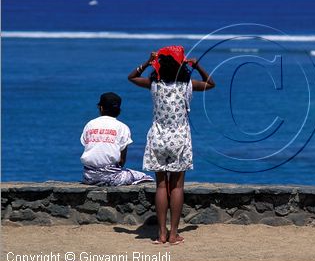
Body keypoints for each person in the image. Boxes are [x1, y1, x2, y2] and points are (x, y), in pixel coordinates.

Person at [128, 46, 215, 245]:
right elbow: (211, 83)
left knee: (160, 186)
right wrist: (197, 65)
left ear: (160, 66)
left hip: (157, 139)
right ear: (180, 66)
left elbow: (132, 77)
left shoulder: (154, 84)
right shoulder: (187, 85)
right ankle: (174, 234)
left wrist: (147, 63)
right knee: (177, 186)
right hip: (180, 140)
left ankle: (161, 234)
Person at [80, 92, 154, 186]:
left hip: (88, 177)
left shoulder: (90, 124)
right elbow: (122, 161)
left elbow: (88, 146)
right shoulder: (122, 127)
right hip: (112, 178)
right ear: (118, 110)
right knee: (145, 177)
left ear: (101, 108)